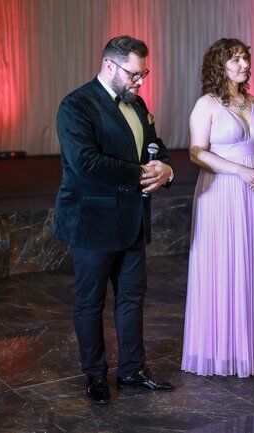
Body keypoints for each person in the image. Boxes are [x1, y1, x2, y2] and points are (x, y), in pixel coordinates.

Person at [53, 35, 175, 404]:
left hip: (132, 219)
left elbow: (155, 144)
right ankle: (95, 375)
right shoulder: (76, 105)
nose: (140, 82)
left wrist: (165, 168)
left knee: (132, 298)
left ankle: (132, 371)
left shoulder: (137, 103)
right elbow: (85, 162)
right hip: (92, 221)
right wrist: (140, 173)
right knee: (91, 302)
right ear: (110, 65)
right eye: (134, 74)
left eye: (144, 74)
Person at [181, 38, 254, 378]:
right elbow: (196, 152)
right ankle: (219, 350)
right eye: (235, 60)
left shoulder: (252, 100)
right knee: (223, 264)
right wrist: (240, 171)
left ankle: (250, 348)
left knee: (250, 263)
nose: (243, 65)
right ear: (218, 66)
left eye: (245, 59)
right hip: (221, 192)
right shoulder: (206, 104)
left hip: (253, 192)